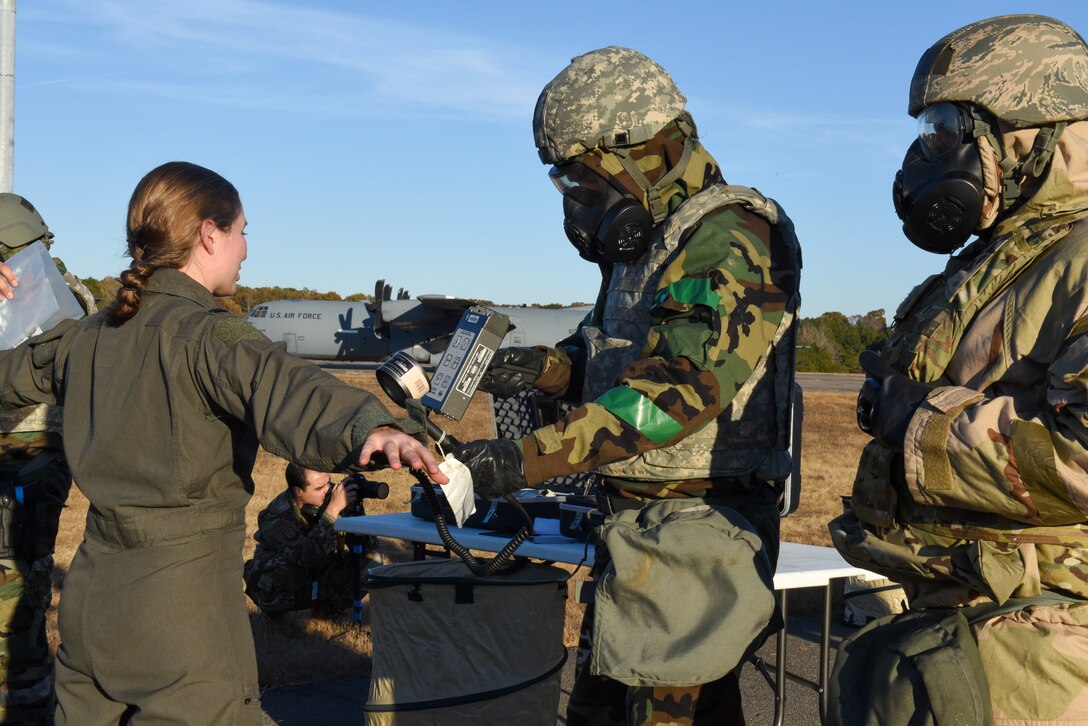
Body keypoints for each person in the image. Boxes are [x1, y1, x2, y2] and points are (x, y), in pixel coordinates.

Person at [0, 161, 447, 725]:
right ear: (208, 234)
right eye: (241, 232)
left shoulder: (88, 335)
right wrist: (374, 428)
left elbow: (8, 374)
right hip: (179, 611)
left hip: (92, 600)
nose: (245, 251)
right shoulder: (208, 332)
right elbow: (284, 383)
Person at [449, 47, 802, 725]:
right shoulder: (656, 242)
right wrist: (537, 368)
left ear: (636, 151)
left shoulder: (730, 235)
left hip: (697, 547)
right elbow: (608, 362)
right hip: (640, 540)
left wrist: (521, 463)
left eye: (582, 178)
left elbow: (676, 392)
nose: (579, 200)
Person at [828, 14, 1088, 725]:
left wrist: (920, 426)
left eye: (948, 127)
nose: (930, 153)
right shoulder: (1001, 259)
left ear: (1036, 131)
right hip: (967, 618)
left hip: (1047, 651)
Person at [0, 194, 96, 723]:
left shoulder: (63, 296)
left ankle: (25, 695)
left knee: (16, 576)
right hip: (26, 452)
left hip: (32, 453)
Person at [244, 464, 381, 616]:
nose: (327, 489)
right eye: (319, 487)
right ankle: (276, 614)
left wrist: (353, 513)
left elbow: (370, 545)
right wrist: (331, 512)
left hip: (320, 570)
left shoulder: (331, 497)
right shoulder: (275, 517)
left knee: (372, 561)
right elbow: (306, 557)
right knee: (282, 569)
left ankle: (327, 611)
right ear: (298, 491)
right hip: (286, 576)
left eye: (328, 482)